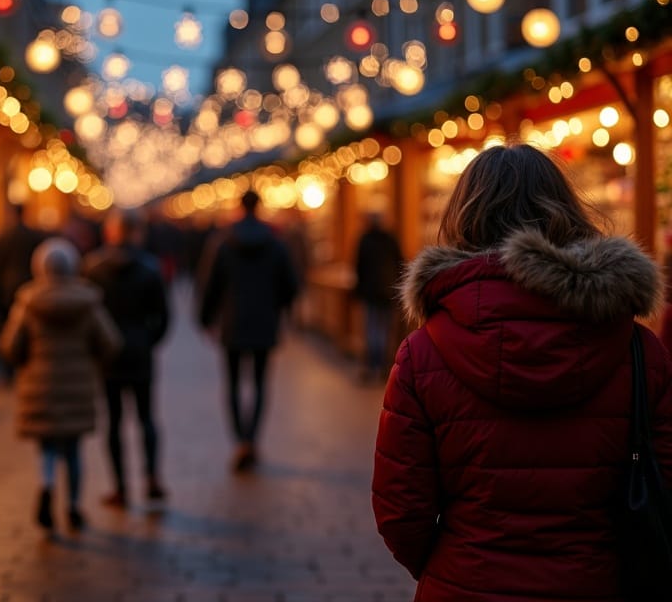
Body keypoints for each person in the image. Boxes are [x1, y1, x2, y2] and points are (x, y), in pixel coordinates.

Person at [372, 143, 671, 600]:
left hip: (465, 584)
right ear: (567, 212)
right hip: (597, 584)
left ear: (463, 218)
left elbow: (401, 509)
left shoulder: (422, 354)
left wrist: (454, 563)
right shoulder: (638, 351)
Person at [0, 237, 121, 533]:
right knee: (74, 450)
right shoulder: (88, 301)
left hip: (40, 386)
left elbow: (10, 346)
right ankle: (74, 507)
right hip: (77, 387)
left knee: (48, 447)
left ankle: (47, 484)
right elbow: (111, 343)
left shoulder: (27, 302)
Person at [198, 190, 298, 472]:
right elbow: (290, 286)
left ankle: (240, 439)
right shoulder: (276, 244)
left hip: (232, 323)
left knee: (231, 384)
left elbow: (211, 283)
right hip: (265, 323)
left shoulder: (223, 242)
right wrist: (280, 309)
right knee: (259, 383)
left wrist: (206, 319)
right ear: (260, 206)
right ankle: (252, 438)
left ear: (239, 206)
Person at [83, 209, 170, 508]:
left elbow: (88, 316)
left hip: (108, 355)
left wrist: (96, 347)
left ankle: (120, 487)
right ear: (136, 233)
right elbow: (164, 316)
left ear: (110, 232)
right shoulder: (150, 268)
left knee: (114, 421)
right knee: (146, 417)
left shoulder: (93, 268)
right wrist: (148, 341)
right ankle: (151, 478)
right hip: (140, 351)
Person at [0, 203, 48, 376]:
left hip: (8, 291)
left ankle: (9, 368)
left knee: (10, 330)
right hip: (29, 287)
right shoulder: (33, 236)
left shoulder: (4, 237)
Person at [353, 212, 404, 381]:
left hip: (370, 291)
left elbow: (359, 267)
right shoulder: (391, 239)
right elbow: (400, 264)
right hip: (388, 290)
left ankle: (373, 365)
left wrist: (358, 290)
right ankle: (383, 366)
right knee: (385, 329)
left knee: (372, 329)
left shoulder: (365, 240)